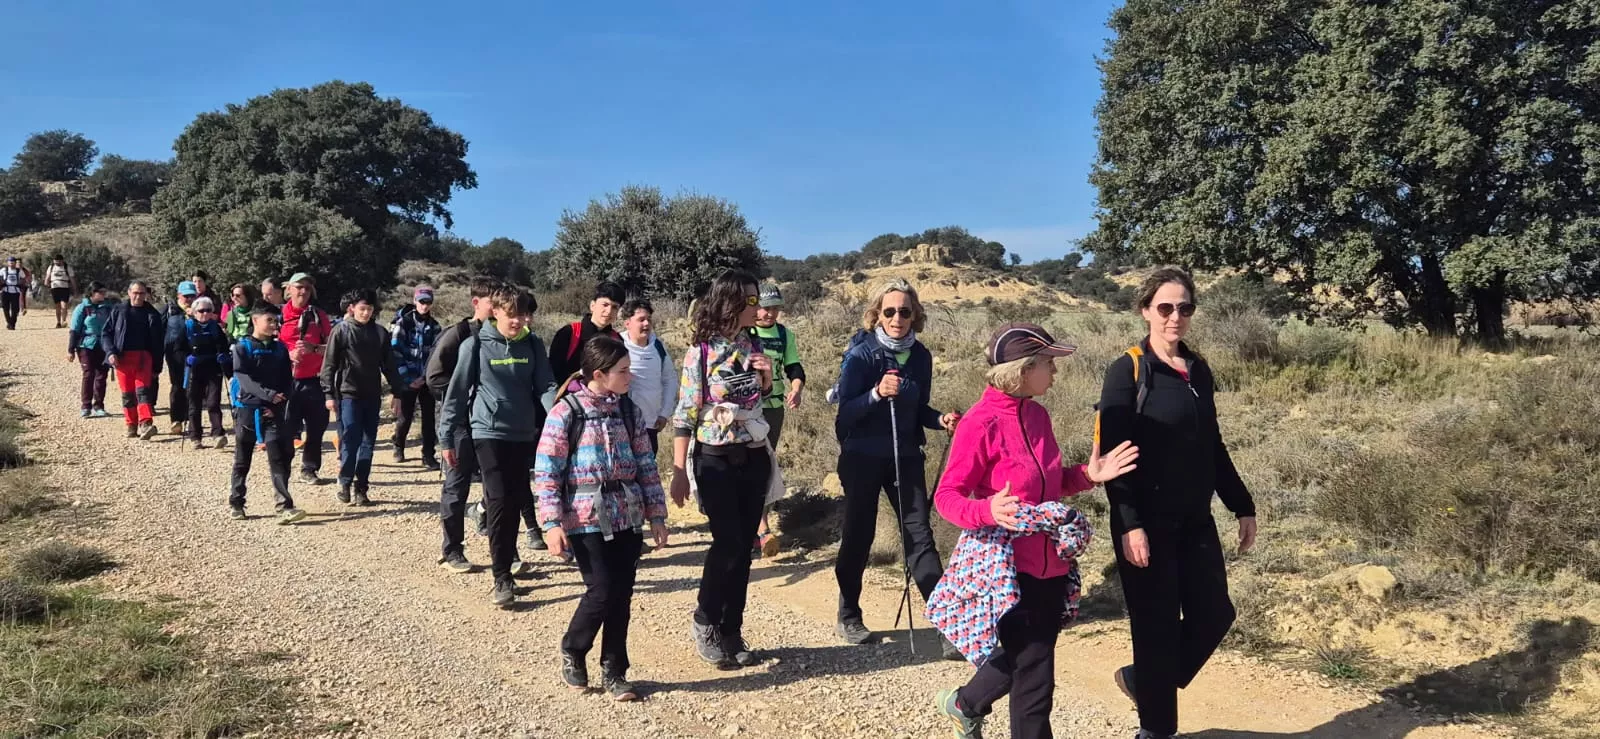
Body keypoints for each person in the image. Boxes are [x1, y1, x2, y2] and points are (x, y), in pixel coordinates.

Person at [929, 322, 1141, 739]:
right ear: (1023, 369)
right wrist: (987, 508)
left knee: (1026, 657)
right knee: (1036, 674)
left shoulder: (1038, 415)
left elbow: (1048, 483)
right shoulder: (980, 422)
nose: (1055, 371)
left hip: (1052, 564)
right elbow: (947, 496)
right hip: (1006, 569)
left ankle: (964, 704)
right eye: (1049, 363)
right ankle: (967, 705)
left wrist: (1088, 475)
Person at [1096, 268, 1258, 739]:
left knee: (1215, 615)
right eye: (1165, 307)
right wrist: (1129, 524)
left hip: (1195, 518)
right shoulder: (1127, 369)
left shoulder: (1198, 369)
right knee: (1156, 630)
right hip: (1144, 522)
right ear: (1145, 310)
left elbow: (1213, 443)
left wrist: (1241, 504)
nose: (1175, 317)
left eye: (1184, 308)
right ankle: (1156, 729)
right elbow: (1113, 456)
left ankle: (1144, 681)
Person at [831, 278, 960, 654]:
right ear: (877, 314)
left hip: (905, 455)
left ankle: (946, 623)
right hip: (861, 457)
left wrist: (941, 421)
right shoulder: (861, 355)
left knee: (919, 535)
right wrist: (874, 394)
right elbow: (844, 417)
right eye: (889, 311)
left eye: (905, 311)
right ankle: (849, 613)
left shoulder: (920, 357)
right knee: (859, 534)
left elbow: (919, 410)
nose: (897, 318)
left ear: (915, 315)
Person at [536, 336, 668, 701]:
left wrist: (656, 514)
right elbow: (547, 471)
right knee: (602, 589)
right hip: (584, 517)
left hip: (627, 514)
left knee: (622, 594)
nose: (630, 377)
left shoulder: (630, 412)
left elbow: (646, 466)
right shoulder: (567, 412)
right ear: (600, 373)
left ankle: (615, 670)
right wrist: (551, 523)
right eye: (623, 371)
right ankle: (574, 649)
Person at [669, 269, 774, 669]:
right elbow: (685, 412)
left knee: (745, 547)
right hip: (714, 459)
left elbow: (759, 397)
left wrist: (765, 379)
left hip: (753, 454)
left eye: (757, 299)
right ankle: (706, 620)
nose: (757, 307)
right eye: (749, 300)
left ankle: (733, 629)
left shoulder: (755, 343)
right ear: (729, 302)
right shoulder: (700, 352)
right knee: (726, 542)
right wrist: (678, 469)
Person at [439, 287, 556, 607]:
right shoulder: (474, 345)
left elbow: (545, 385)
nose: (522, 320)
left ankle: (506, 557)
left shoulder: (533, 344)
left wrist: (562, 414)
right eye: (515, 314)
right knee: (500, 498)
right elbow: (457, 393)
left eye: (526, 314)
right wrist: (446, 436)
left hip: (522, 432)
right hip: (486, 432)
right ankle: (502, 577)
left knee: (517, 495)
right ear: (496, 312)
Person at [427, 277, 502, 572]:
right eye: (491, 304)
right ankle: (452, 549)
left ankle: (504, 553)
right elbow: (434, 376)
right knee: (456, 488)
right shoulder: (456, 335)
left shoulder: (501, 336)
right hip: (460, 425)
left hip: (491, 425)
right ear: (476, 303)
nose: (497, 310)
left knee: (496, 488)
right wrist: (467, 393)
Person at [321, 289, 403, 506]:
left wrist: (397, 392)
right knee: (350, 439)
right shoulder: (341, 331)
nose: (366, 313)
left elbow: (389, 366)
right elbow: (328, 365)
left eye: (369, 309)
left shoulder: (380, 333)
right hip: (348, 394)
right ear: (352, 309)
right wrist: (329, 394)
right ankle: (345, 481)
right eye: (362, 309)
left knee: (368, 443)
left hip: (372, 394)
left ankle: (361, 488)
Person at [229, 303, 307, 524]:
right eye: (269, 320)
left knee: (279, 457)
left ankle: (284, 507)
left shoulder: (280, 348)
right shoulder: (242, 347)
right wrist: (267, 395)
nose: (274, 324)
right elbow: (243, 378)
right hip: (248, 410)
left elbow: (287, 377)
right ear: (255, 320)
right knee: (243, 459)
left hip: (274, 410)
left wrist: (283, 396)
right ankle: (236, 502)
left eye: (276, 320)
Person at [748, 283, 805, 558]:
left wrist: (796, 388)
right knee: (747, 466)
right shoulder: (745, 332)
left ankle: (760, 527)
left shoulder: (784, 334)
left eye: (775, 309)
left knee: (764, 466)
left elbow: (794, 366)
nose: (770, 314)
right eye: (766, 308)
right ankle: (757, 528)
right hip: (746, 410)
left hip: (773, 409)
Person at [280, 272, 334, 485]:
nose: (303, 291)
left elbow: (332, 347)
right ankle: (282, 467)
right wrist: (288, 354)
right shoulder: (278, 315)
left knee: (316, 428)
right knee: (286, 428)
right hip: (287, 380)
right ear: (289, 289)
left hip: (315, 380)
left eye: (308, 288)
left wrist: (315, 348)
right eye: (299, 287)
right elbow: (266, 344)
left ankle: (309, 469)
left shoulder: (319, 316)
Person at [101, 280, 165, 439]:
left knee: (143, 392)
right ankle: (131, 425)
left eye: (142, 293)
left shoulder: (153, 314)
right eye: (135, 293)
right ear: (129, 293)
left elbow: (159, 342)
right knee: (128, 394)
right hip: (122, 358)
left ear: (146, 295)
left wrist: (157, 366)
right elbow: (106, 334)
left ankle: (146, 423)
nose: (138, 296)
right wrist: (110, 353)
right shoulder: (118, 311)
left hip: (144, 358)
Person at [390, 284, 443, 470]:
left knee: (429, 418)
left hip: (427, 380)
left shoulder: (435, 326)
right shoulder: (403, 323)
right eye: (421, 301)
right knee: (405, 416)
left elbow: (437, 354)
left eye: (428, 302)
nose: (424, 305)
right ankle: (398, 445)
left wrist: (426, 377)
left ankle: (428, 455)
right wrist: (407, 378)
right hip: (407, 379)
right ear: (415, 301)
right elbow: (395, 352)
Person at [619, 298, 677, 454]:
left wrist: (664, 413)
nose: (646, 324)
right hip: (623, 425)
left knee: (648, 473)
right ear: (627, 323)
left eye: (649, 320)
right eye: (641, 320)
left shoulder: (658, 346)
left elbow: (670, 380)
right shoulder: (618, 345)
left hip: (651, 425)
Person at [548, 281, 624, 387]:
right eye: (605, 305)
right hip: (570, 399)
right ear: (592, 305)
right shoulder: (569, 333)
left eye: (615, 307)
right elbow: (552, 372)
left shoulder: (617, 340)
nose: (609, 311)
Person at [181, 296, 230, 449]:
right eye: (201, 311)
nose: (204, 313)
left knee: (213, 402)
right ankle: (195, 437)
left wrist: (224, 356)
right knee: (194, 404)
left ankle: (218, 434)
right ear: (194, 312)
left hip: (213, 368)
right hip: (194, 370)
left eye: (208, 310)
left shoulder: (216, 328)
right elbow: (177, 349)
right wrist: (186, 358)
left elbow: (224, 347)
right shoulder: (187, 327)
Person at [67, 282, 114, 418]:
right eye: (101, 291)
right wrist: (70, 350)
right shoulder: (82, 308)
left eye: (105, 291)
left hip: (104, 345)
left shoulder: (108, 308)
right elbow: (74, 330)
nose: (104, 294)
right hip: (86, 345)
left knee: (102, 375)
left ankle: (99, 405)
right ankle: (86, 405)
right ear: (92, 292)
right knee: (88, 374)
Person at [161, 281, 199, 435]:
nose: (189, 299)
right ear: (178, 295)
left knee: (193, 386)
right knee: (177, 385)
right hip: (174, 353)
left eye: (192, 296)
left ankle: (190, 420)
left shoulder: (201, 309)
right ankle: (176, 420)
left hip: (194, 352)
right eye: (186, 296)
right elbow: (159, 330)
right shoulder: (169, 310)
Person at [45, 255, 76, 329]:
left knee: (64, 306)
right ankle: (58, 322)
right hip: (54, 288)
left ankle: (64, 321)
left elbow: (72, 279)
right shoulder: (51, 267)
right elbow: (48, 277)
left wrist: (75, 288)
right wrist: (46, 282)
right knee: (57, 306)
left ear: (62, 260)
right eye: (55, 260)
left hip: (64, 288)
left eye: (58, 260)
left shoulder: (67, 267)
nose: (57, 262)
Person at [1, 256, 30, 330]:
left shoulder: (19, 271)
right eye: (10, 262)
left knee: (15, 309)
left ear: (15, 263)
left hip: (15, 291)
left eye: (13, 262)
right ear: (7, 263)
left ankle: (12, 323)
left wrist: (21, 284)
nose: (11, 263)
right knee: (5, 308)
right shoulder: (3, 270)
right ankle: (9, 323)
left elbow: (23, 278)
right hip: (5, 291)